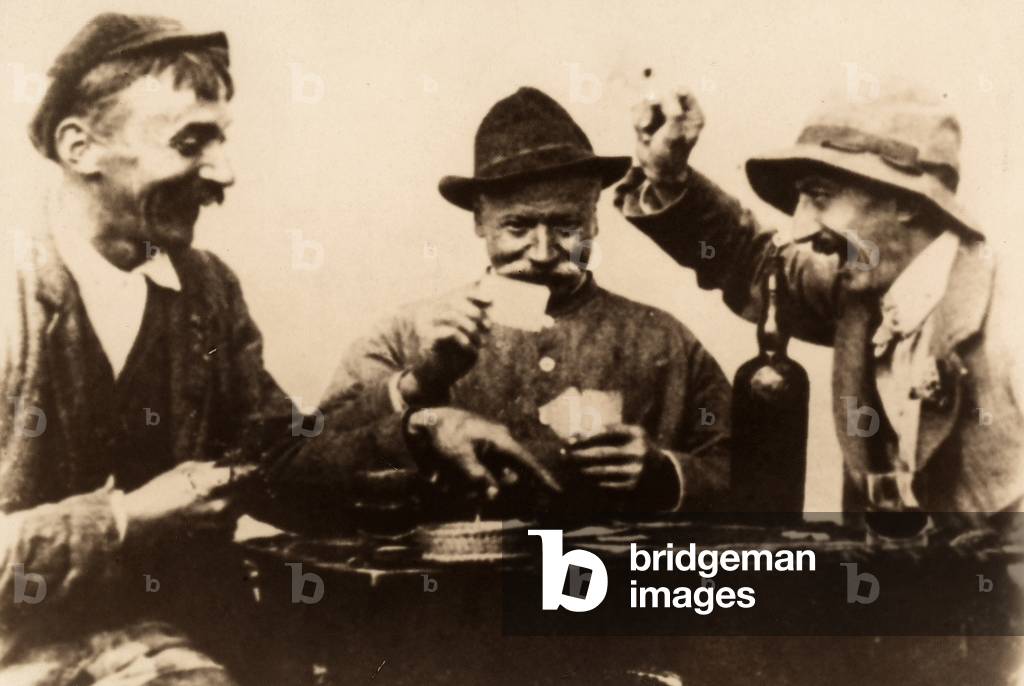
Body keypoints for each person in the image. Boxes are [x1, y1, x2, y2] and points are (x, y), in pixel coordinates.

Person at [0, 14, 297, 685]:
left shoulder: (206, 290)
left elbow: (281, 454)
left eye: (222, 141)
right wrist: (128, 520)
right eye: (192, 142)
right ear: (81, 148)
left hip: (188, 641)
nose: (224, 172)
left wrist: (414, 409)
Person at [273, 87, 731, 520]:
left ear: (594, 218)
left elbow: (752, 480)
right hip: (448, 598)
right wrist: (422, 381)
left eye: (566, 225)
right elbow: (309, 465)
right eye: (517, 227)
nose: (543, 251)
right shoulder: (405, 334)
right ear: (479, 221)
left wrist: (665, 475)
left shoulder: (662, 341)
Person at [616, 83, 1023, 527]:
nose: (800, 229)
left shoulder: (1011, 313)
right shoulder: (860, 292)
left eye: (820, 196)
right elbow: (751, 262)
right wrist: (668, 176)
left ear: (906, 203)